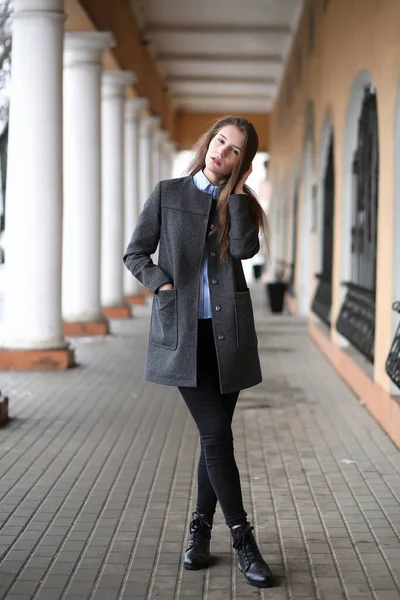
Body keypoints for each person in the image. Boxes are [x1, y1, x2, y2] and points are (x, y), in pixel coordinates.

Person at [123, 116, 273, 589]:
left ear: (240, 164)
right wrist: (162, 284)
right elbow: (136, 253)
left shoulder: (238, 203)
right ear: (208, 141)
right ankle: (243, 538)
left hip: (227, 335)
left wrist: (242, 194)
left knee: (216, 437)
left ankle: (199, 534)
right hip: (184, 336)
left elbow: (246, 251)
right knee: (215, 436)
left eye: (233, 152)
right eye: (220, 141)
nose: (221, 153)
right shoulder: (168, 193)